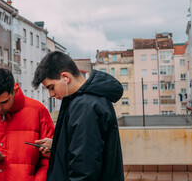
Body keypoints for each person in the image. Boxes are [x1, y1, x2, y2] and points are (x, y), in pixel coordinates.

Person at [32, 51, 124, 181]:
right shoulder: (89, 100)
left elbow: (84, 167)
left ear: (66, 78)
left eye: (51, 87)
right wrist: (58, 146)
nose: (51, 94)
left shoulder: (84, 106)